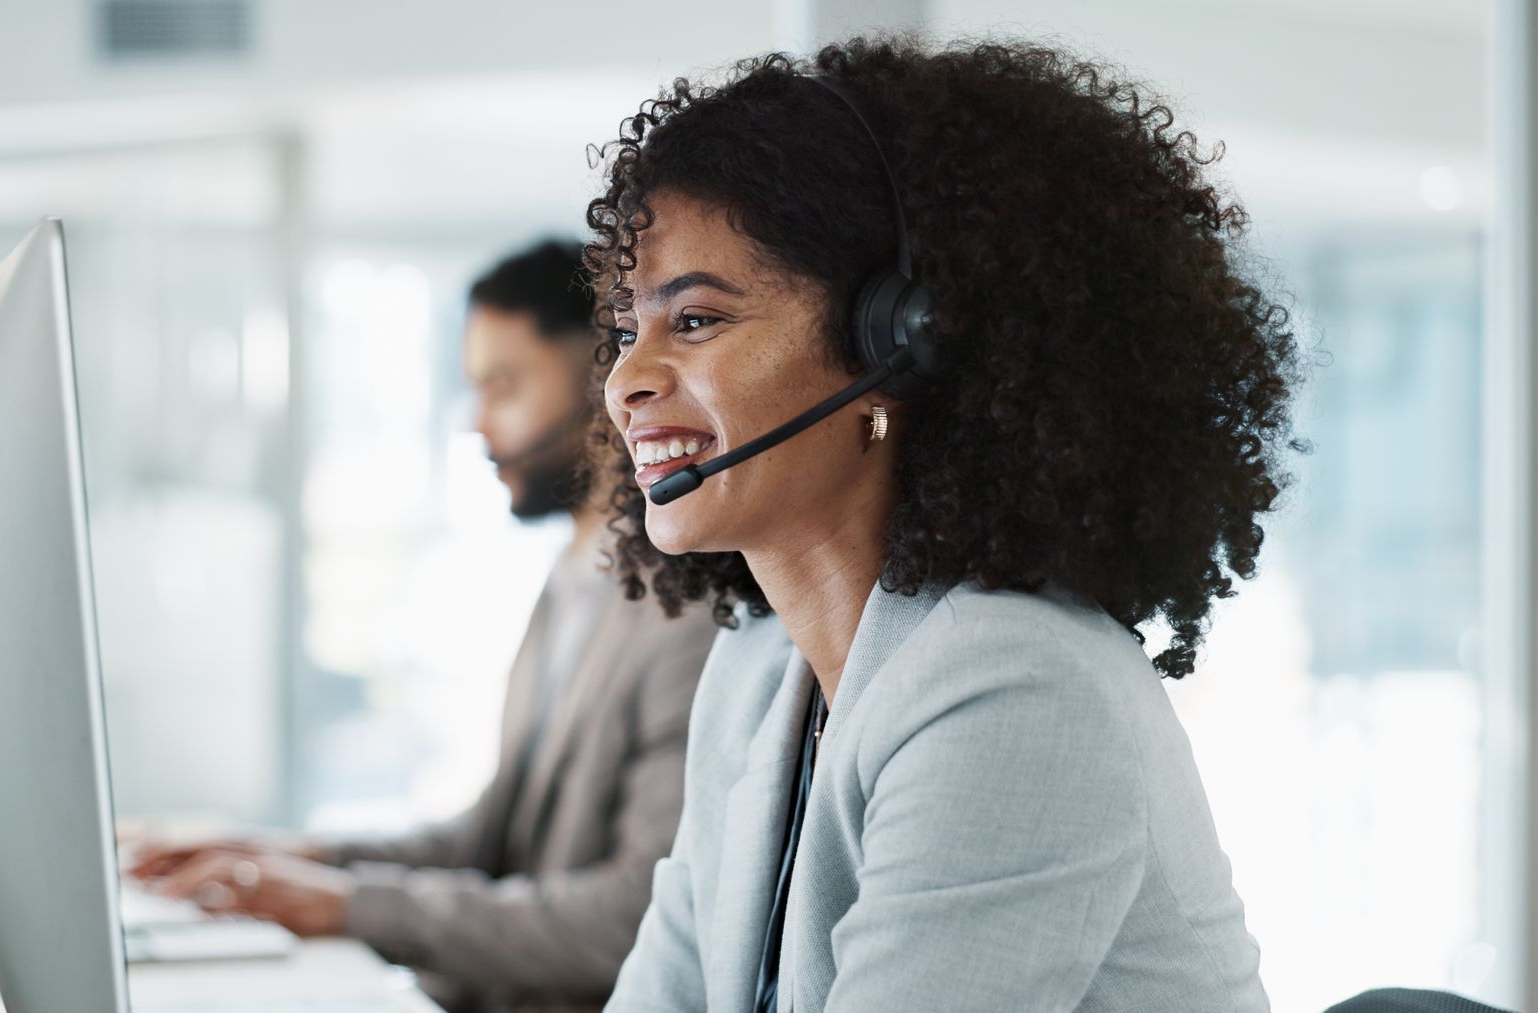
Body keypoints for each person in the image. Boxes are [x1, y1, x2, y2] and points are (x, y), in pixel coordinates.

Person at [588, 36, 1301, 1012]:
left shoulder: (1015, 685)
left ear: (901, 342)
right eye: (630, 331)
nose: (628, 379)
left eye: (698, 320)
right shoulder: (756, 673)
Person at [130, 240, 718, 1013]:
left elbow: (630, 915)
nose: (479, 426)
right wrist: (289, 858)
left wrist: (346, 905)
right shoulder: (575, 580)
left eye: (504, 387)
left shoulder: (686, 613)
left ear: (599, 377)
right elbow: (494, 835)